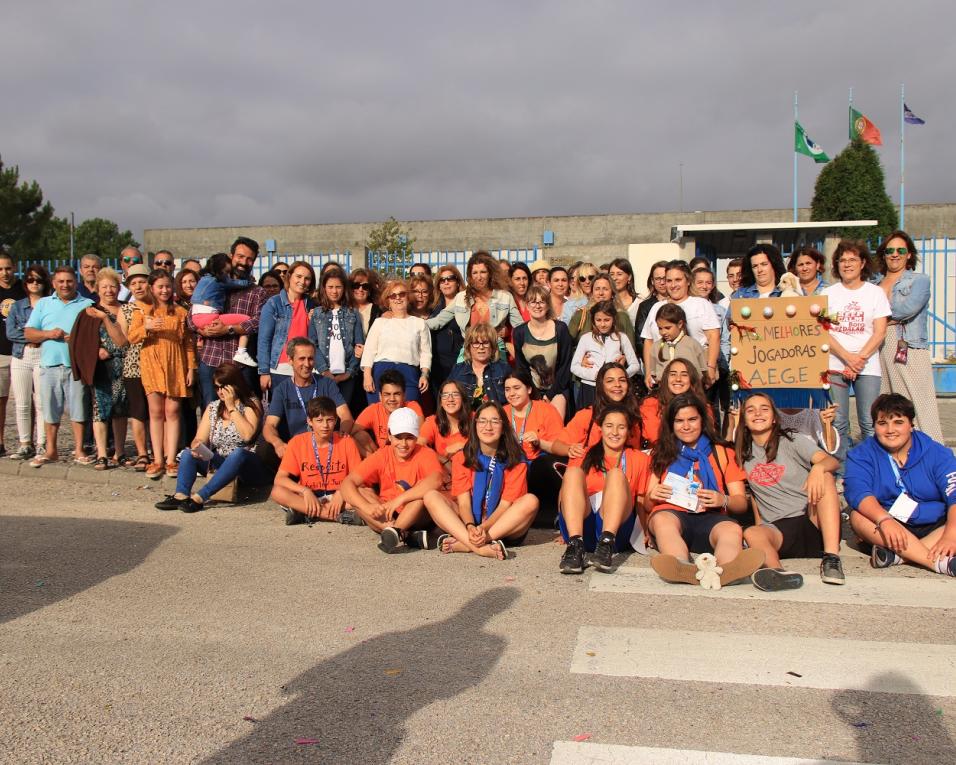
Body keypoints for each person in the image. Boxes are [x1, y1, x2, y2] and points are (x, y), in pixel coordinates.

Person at [646, 394, 765, 588]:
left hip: (711, 518)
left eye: (692, 419)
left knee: (732, 529)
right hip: (673, 516)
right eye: (679, 421)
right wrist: (653, 495)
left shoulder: (722, 452)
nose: (686, 426)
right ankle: (682, 566)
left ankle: (726, 570)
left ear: (702, 420)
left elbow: (740, 503)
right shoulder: (662, 453)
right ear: (671, 424)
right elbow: (648, 504)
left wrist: (723, 500)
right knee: (662, 520)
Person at [735, 392, 845, 590]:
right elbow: (755, 496)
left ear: (775, 417)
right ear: (743, 419)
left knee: (826, 475)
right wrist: (760, 526)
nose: (758, 413)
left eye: (764, 409)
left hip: (811, 520)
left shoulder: (792, 439)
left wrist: (818, 468)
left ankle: (832, 558)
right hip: (778, 530)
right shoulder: (744, 453)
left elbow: (832, 461)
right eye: (750, 410)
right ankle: (779, 574)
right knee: (752, 532)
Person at [846, 394, 956, 577]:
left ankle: (898, 557)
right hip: (889, 525)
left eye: (898, 422)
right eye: (882, 423)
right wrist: (884, 519)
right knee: (857, 516)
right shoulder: (861, 454)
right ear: (874, 426)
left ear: (911, 425)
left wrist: (951, 535)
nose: (890, 430)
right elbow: (858, 491)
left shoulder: (936, 452)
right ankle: (937, 563)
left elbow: (954, 492)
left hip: (936, 525)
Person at [423, 401, 538, 560]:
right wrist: (470, 526)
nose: (488, 427)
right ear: (475, 426)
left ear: (504, 427)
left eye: (495, 421)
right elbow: (463, 503)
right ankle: (480, 548)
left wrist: (484, 529)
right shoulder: (462, 457)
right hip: (468, 522)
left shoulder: (516, 459)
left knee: (531, 501)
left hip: (502, 526)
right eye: (482, 421)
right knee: (431, 496)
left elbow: (505, 505)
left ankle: (470, 543)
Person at [155, 362, 266, 513]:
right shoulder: (213, 408)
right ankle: (181, 495)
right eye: (217, 387)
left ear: (235, 385)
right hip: (222, 462)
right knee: (188, 453)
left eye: (224, 387)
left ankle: (201, 497)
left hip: (247, 465)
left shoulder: (251, 404)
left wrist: (231, 406)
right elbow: (199, 438)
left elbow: (247, 436)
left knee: (238, 453)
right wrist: (198, 446)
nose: (220, 392)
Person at [558, 405, 651, 573]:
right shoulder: (583, 454)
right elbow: (565, 492)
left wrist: (645, 529)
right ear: (600, 428)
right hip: (584, 523)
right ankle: (575, 544)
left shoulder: (640, 459)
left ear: (629, 431)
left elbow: (641, 500)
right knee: (572, 472)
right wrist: (563, 524)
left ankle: (606, 543)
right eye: (609, 426)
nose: (614, 432)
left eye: (621, 427)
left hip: (617, 529)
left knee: (615, 474)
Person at [824, 240, 890, 470]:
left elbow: (880, 331)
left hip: (867, 366)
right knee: (839, 422)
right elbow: (822, 332)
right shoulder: (828, 293)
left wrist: (859, 359)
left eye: (852, 259)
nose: (847, 264)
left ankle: (876, 470)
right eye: (842, 260)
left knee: (870, 422)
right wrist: (846, 357)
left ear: (863, 263)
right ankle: (841, 473)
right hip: (835, 364)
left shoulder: (875, 293)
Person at [340, 407, 443, 551]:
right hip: (387, 513)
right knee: (360, 492)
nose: (403, 444)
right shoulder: (382, 455)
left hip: (417, 515)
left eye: (409, 438)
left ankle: (395, 531)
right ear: (389, 435)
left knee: (421, 495)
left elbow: (436, 479)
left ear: (417, 436)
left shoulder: (426, 453)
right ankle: (404, 535)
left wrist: (400, 500)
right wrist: (366, 507)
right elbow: (346, 484)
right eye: (398, 437)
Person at [128, 269, 197, 479]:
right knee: (155, 412)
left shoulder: (181, 312)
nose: (165, 290)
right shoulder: (142, 311)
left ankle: (170, 459)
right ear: (152, 288)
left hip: (175, 363)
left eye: (168, 286)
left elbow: (188, 342)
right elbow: (131, 338)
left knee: (173, 411)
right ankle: (157, 459)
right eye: (160, 287)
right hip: (152, 363)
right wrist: (147, 328)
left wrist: (191, 367)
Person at [875, 231, 943, 443]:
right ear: (883, 255)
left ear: (909, 255)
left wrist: (879, 316)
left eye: (901, 250)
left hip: (907, 345)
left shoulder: (919, 280)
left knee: (918, 404)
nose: (895, 255)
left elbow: (908, 309)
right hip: (878, 347)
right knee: (887, 404)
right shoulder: (874, 283)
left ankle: (935, 454)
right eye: (890, 251)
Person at [24, 266, 93, 468]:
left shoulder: (87, 304)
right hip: (49, 365)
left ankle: (79, 449)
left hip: (76, 366)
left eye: (69, 281)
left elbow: (94, 336)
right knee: (50, 410)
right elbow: (28, 333)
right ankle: (51, 450)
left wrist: (78, 339)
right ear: (54, 283)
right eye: (61, 281)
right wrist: (48, 334)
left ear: (76, 282)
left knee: (78, 409)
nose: (65, 285)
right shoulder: (44, 304)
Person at [190, 237, 266, 407]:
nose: (243, 262)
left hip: (239, 366)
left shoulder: (257, 292)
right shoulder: (212, 282)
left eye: (249, 259)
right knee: (210, 414)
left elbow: (258, 322)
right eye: (240, 256)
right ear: (231, 255)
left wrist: (228, 329)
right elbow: (191, 314)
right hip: (211, 360)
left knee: (244, 413)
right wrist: (201, 329)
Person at [270, 396, 364, 525]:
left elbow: (359, 477)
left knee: (367, 492)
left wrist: (342, 492)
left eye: (330, 420)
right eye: (319, 420)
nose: (325, 425)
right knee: (277, 492)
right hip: (309, 496)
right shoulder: (297, 442)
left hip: (340, 494)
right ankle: (337, 516)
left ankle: (307, 514)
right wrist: (305, 491)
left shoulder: (347, 441)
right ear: (309, 421)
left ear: (336, 420)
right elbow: (279, 479)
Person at [261, 337, 354, 459]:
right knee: (264, 450)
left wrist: (343, 434)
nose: (307, 364)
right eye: (302, 359)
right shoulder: (282, 389)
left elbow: (345, 415)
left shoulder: (327, 384)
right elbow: (269, 425)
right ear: (290, 360)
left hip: (325, 445)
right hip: (295, 448)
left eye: (310, 359)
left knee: (355, 439)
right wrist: (277, 443)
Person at [426, 251, 525, 358]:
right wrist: (412, 323)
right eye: (475, 273)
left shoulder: (505, 297)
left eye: (483, 272)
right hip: (468, 352)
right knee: (458, 374)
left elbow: (520, 327)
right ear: (470, 275)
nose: (479, 277)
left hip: (496, 352)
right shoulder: (460, 298)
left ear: (490, 273)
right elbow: (438, 321)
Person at [641, 261, 720, 389]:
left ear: (688, 281)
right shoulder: (656, 307)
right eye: (669, 280)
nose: (673, 285)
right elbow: (649, 341)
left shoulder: (701, 304)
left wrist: (710, 367)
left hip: (695, 376)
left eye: (678, 280)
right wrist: (649, 372)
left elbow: (714, 337)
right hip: (664, 376)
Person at [503, 368, 565, 526]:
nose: (512, 393)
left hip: (537, 466)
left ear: (529, 389)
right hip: (511, 464)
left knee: (545, 464)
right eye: (507, 389)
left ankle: (557, 513)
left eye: (517, 388)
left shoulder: (546, 410)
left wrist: (539, 442)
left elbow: (560, 447)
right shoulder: (502, 413)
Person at [552, 362, 642, 461]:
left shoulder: (637, 415)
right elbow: (556, 445)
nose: (617, 385)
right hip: (594, 472)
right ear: (601, 385)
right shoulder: (587, 415)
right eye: (610, 381)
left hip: (629, 473)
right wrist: (569, 449)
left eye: (622, 380)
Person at [5, 263, 51, 460]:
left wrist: (38, 335)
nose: (34, 283)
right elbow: (11, 333)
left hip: (43, 355)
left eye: (38, 280)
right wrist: (36, 336)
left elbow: (55, 330)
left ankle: (42, 443)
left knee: (41, 402)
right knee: (22, 402)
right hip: (21, 356)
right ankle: (25, 443)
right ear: (25, 282)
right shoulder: (17, 306)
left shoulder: (50, 304)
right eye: (30, 279)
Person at [361, 278, 431, 404]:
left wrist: (424, 375)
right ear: (388, 301)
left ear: (408, 297)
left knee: (408, 415)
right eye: (393, 295)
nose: (398, 298)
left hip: (409, 373)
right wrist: (367, 375)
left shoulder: (419, 323)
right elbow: (369, 350)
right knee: (380, 416)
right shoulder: (379, 322)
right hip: (381, 371)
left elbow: (426, 353)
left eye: (402, 294)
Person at [87, 269, 129, 470]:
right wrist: (95, 350)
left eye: (112, 286)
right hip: (101, 367)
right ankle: (102, 453)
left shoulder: (126, 309)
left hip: (123, 364)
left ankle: (120, 452)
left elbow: (126, 339)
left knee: (120, 409)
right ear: (97, 289)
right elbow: (82, 339)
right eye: (104, 287)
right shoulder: (90, 311)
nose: (109, 290)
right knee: (100, 410)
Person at [513, 284, 573, 419]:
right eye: (533, 302)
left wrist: (549, 395)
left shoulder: (560, 329)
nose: (537, 306)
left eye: (541, 302)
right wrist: (535, 394)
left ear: (547, 305)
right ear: (527, 306)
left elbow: (565, 366)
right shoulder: (520, 332)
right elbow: (521, 368)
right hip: (531, 390)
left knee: (554, 423)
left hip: (558, 388)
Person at [257, 260, 317, 391]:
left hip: (305, 368)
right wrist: (264, 372)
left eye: (307, 278)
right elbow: (264, 340)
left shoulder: (312, 305)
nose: (303, 281)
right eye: (299, 276)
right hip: (280, 369)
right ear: (289, 276)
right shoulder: (274, 303)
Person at [190, 252, 258, 369]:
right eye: (226, 272)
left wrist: (200, 331)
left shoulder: (202, 280)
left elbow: (190, 312)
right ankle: (241, 352)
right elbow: (237, 284)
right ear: (219, 270)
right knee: (246, 320)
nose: (227, 275)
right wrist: (249, 281)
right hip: (209, 319)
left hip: (196, 319)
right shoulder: (218, 280)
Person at [309, 266, 364, 406]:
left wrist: (349, 372)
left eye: (338, 287)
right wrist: (324, 370)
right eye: (330, 287)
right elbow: (312, 345)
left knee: (343, 412)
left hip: (346, 375)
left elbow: (359, 346)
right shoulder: (316, 314)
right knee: (324, 412)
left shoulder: (353, 313)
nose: (334, 291)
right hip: (322, 374)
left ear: (344, 288)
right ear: (324, 288)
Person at [571, 301, 640, 408]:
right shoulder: (586, 338)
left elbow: (635, 365)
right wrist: (595, 375)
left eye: (607, 320)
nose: (602, 324)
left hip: (614, 390)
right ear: (593, 320)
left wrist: (619, 377)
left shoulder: (622, 337)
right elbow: (574, 367)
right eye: (598, 320)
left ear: (614, 319)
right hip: (590, 388)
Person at [116, 265, 152, 469]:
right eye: (133, 283)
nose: (138, 286)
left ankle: (159, 450)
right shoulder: (127, 309)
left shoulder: (159, 306)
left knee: (157, 412)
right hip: (134, 366)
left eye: (142, 281)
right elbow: (122, 340)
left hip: (158, 364)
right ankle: (142, 452)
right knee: (138, 411)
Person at [351, 368, 424, 455]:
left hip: (406, 454)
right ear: (380, 396)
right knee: (359, 435)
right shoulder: (373, 409)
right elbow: (351, 435)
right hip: (382, 456)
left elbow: (421, 436)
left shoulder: (412, 407)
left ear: (404, 396)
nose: (392, 399)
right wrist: (369, 457)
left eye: (397, 394)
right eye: (387, 394)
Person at [640, 358, 711, 446]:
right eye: (673, 374)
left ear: (692, 379)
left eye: (684, 375)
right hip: (663, 453)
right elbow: (654, 436)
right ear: (666, 378)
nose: (678, 379)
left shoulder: (702, 405)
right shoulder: (651, 404)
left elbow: (708, 434)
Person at [418, 379, 471, 491]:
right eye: (445, 395)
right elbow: (418, 446)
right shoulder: (433, 421)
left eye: (455, 394)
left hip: (471, 478)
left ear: (463, 399)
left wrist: (463, 446)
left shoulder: (476, 419)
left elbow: (489, 448)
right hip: (444, 479)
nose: (450, 399)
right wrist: (442, 459)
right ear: (441, 402)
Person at [447, 323, 511, 406]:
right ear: (468, 347)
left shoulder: (504, 369)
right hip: (466, 418)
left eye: (485, 343)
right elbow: (446, 397)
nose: (481, 347)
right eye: (476, 343)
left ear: (493, 347)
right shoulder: (458, 370)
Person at [0, 250, 26, 456]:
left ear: (14, 268)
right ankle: (0, 441)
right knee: (1, 399)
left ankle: (27, 441)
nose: (4, 272)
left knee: (25, 400)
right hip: (0, 353)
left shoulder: (23, 289)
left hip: (22, 352)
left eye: (8, 268)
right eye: (0, 269)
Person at [566, 274, 636, 348]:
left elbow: (632, 349)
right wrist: (581, 358)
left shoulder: (622, 317)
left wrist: (624, 357)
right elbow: (567, 347)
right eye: (597, 289)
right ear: (592, 293)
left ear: (612, 293)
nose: (601, 293)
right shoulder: (581, 315)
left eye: (605, 289)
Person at [648, 304, 707, 388]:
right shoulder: (656, 347)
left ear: (680, 324)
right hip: (665, 393)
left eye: (667, 328)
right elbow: (653, 372)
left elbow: (703, 371)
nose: (663, 332)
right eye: (660, 328)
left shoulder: (692, 345)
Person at [430, 265, 466, 388]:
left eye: (450, 278)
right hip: (437, 365)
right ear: (438, 285)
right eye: (442, 280)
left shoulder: (467, 303)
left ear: (457, 282)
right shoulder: (432, 307)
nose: (446, 282)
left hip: (460, 361)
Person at [629, 260, 669, 349]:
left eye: (665, 278)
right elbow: (640, 340)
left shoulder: (679, 302)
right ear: (652, 281)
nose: (662, 282)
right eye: (658, 279)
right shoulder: (645, 306)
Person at [349, 268, 383, 339]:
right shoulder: (343, 308)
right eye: (356, 285)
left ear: (369, 290)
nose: (360, 289)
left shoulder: (378, 311)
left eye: (365, 286)